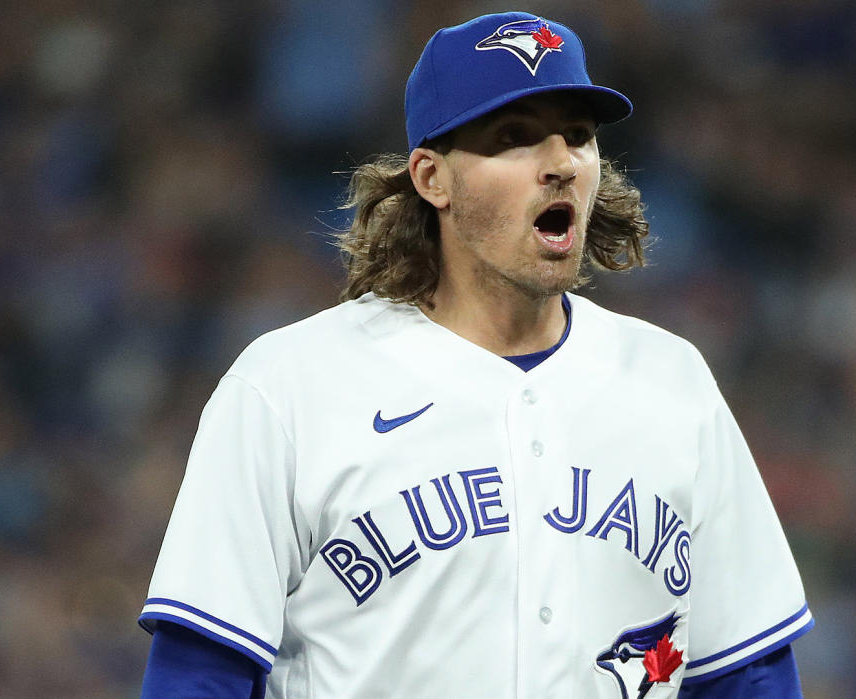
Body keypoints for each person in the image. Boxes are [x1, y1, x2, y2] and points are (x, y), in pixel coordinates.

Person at [139, 11, 813, 698]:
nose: (558, 164)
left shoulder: (672, 382)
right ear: (433, 177)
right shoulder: (288, 386)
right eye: (513, 140)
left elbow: (748, 673)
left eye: (577, 137)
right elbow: (199, 671)